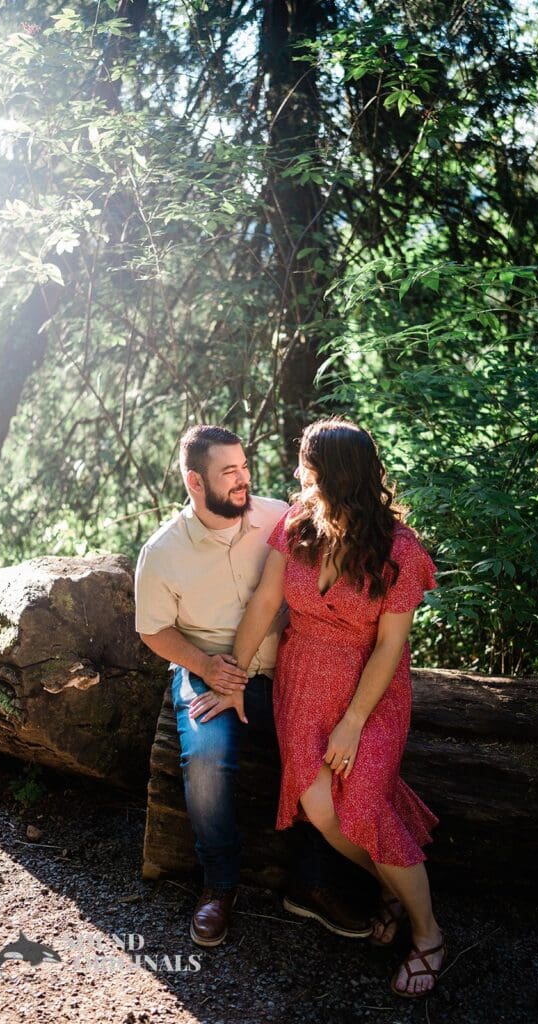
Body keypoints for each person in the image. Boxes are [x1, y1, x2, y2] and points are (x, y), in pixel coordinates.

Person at [189, 417, 445, 997]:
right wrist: (231, 676)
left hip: (369, 691)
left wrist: (354, 724)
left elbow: (389, 646)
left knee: (365, 806)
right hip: (302, 681)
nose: (298, 476)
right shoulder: (298, 526)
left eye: (306, 466)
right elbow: (264, 603)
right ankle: (392, 885)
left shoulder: (399, 550)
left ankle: (429, 933)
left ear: (334, 475)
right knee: (322, 807)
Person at [134, 424, 372, 948]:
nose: (244, 481)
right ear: (195, 482)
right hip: (208, 671)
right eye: (229, 474)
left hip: (289, 669)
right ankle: (219, 884)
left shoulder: (279, 518)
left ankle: (310, 883)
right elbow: (153, 629)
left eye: (244, 468)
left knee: (322, 754)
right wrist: (208, 667)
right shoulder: (162, 552)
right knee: (204, 759)